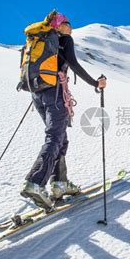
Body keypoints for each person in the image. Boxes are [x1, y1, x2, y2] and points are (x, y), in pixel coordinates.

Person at [20, 12, 107, 209]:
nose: (71, 28)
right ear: (59, 25)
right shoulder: (64, 40)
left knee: (60, 137)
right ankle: (35, 182)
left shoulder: (38, 40)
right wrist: (96, 83)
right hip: (55, 93)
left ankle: (59, 183)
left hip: (37, 93)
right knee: (55, 137)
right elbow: (74, 64)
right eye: (68, 24)